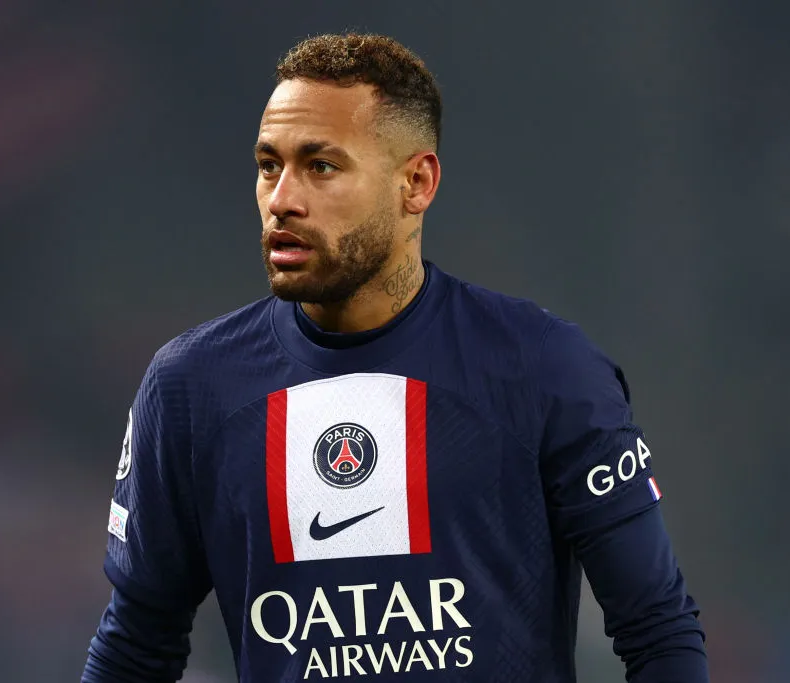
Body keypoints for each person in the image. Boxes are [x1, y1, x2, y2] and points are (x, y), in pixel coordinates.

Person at [81, 33, 708, 682]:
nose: (282, 199)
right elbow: (135, 644)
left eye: (320, 166)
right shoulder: (191, 389)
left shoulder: (545, 369)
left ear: (417, 182)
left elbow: (658, 631)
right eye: (270, 165)